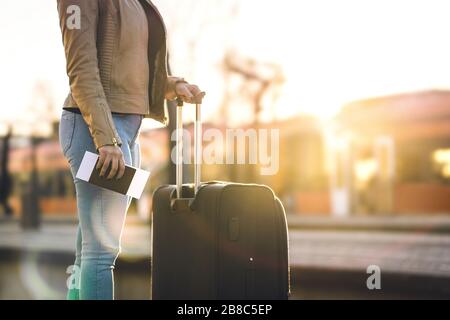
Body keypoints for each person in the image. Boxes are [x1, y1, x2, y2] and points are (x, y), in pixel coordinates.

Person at [57, 0, 205, 300]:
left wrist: (172, 85)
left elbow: (133, 70)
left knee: (89, 247)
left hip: (126, 132)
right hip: (96, 130)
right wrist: (106, 140)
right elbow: (81, 69)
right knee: (101, 253)